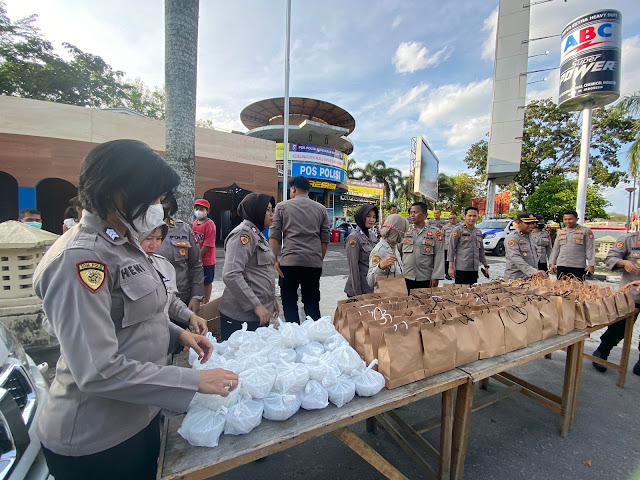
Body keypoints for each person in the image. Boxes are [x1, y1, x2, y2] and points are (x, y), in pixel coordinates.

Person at [32, 139, 237, 480]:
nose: (159, 208)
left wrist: (180, 332)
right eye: (155, 199)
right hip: (97, 441)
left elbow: (138, 317)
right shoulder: (81, 259)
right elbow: (97, 370)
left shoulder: (125, 246)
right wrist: (193, 381)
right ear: (121, 192)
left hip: (138, 417)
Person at [269, 176, 330, 323]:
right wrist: (318, 259)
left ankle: (294, 336)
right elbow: (325, 239)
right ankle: (315, 337)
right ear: (308, 190)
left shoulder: (282, 207)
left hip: (289, 263)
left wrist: (275, 260)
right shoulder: (321, 209)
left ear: (293, 189)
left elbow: (274, 237)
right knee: (312, 302)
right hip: (313, 264)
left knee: (289, 302)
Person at [220, 193, 278, 339]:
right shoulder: (243, 235)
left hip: (259, 313)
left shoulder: (257, 234)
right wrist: (255, 305)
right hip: (241, 316)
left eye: (272, 210)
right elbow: (231, 274)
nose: (272, 214)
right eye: (268, 210)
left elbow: (262, 271)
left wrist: (271, 300)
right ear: (256, 210)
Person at [138, 225, 207, 335]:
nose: (154, 245)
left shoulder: (164, 266)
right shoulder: (122, 268)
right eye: (148, 239)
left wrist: (190, 316)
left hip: (162, 339)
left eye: (158, 239)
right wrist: (181, 335)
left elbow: (169, 301)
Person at [591, 233, 640, 376]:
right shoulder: (629, 239)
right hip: (631, 294)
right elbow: (610, 258)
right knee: (618, 328)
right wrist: (623, 263)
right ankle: (602, 352)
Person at [156, 194, 205, 314]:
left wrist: (196, 296)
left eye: (165, 204)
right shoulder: (139, 229)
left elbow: (195, 265)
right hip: (153, 302)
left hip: (181, 299)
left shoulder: (183, 229)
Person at [401, 202, 445, 292]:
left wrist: (436, 276)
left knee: (424, 304)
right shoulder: (404, 231)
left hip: (425, 277)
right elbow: (396, 251)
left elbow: (439, 255)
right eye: (411, 212)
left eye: (415, 212)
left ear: (425, 214)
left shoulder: (435, 232)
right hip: (406, 275)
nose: (412, 215)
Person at [548, 210, 595, 280]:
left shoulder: (586, 231)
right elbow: (556, 249)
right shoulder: (561, 232)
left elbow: (590, 248)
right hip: (562, 264)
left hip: (577, 266)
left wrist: (591, 264)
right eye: (565, 219)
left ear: (577, 219)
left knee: (577, 288)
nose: (567, 221)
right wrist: (552, 263)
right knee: (561, 287)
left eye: (570, 219)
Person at [448, 207, 489, 285]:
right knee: (461, 293)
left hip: (474, 268)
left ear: (477, 217)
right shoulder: (458, 230)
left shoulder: (478, 232)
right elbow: (451, 250)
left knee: (472, 293)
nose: (472, 218)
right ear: (465, 216)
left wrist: (486, 266)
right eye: (469, 215)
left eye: (474, 216)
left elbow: (481, 251)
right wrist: (450, 267)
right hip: (461, 268)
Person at [344, 205, 379, 297]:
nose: (372, 219)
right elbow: (353, 268)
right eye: (368, 216)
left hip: (370, 288)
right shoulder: (354, 238)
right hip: (359, 290)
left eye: (374, 217)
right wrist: (358, 294)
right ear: (361, 216)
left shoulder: (372, 235)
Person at [367, 214, 408, 289]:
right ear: (397, 232)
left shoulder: (394, 248)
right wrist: (381, 266)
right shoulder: (380, 251)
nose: (404, 236)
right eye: (403, 232)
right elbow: (370, 281)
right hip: (385, 297)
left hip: (397, 293)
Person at [504, 212, 548, 280]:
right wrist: (532, 271)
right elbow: (515, 258)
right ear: (518, 223)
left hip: (531, 277)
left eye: (533, 223)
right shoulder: (512, 238)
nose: (531, 226)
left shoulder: (532, 236)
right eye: (527, 223)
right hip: (516, 278)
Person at [192, 198, 217, 303]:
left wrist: (197, 256)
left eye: (202, 209)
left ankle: (206, 302)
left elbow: (208, 244)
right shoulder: (194, 223)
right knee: (197, 280)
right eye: (197, 208)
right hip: (196, 258)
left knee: (207, 282)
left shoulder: (210, 225)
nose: (198, 211)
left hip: (207, 260)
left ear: (207, 211)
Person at [443, 213, 459, 280]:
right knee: (447, 261)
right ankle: (447, 274)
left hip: (457, 248)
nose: (452, 220)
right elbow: (441, 237)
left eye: (454, 218)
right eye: (450, 218)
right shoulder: (445, 227)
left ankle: (457, 273)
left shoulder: (460, 227)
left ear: (456, 219)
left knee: (457, 261)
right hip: (447, 247)